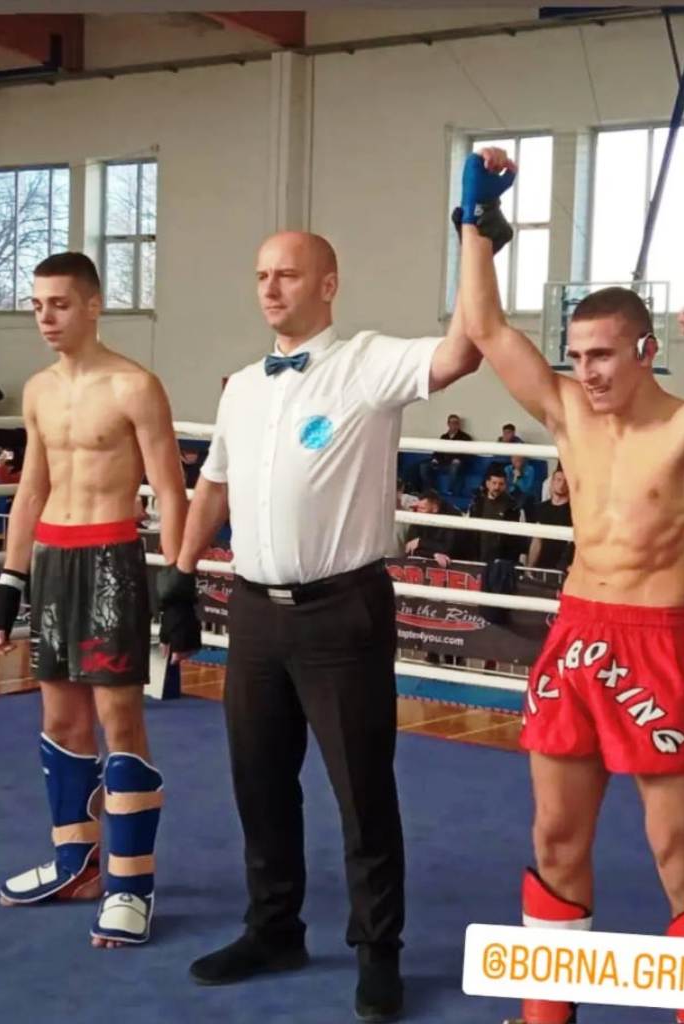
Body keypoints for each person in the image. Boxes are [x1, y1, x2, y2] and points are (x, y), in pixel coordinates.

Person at [457, 147, 684, 1024]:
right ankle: (549, 1014)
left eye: (605, 355)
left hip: (654, 645)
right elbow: (487, 329)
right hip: (576, 634)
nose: (589, 371)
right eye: (578, 355)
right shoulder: (569, 410)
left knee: (677, 853)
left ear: (647, 351)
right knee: (554, 837)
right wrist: (474, 226)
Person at [173, 228, 484, 1021]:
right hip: (252, 611)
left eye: (287, 274)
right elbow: (214, 486)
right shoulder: (243, 386)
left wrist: (475, 239)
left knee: (361, 789)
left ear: (328, 284)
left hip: (342, 612)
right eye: (262, 275)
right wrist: (179, 570)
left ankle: (378, 950)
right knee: (258, 782)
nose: (270, 288)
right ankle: (273, 929)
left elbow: (462, 352)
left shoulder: (365, 363)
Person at [0, 252, 199, 948]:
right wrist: (10, 579)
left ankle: (130, 884)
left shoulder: (135, 385)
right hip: (52, 560)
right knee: (59, 718)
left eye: (58, 303)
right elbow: (31, 489)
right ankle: (75, 864)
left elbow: (170, 489)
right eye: (37, 305)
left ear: (91, 305)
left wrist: (177, 581)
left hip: (112, 558)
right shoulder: (38, 391)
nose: (45, 317)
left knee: (120, 721)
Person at [523, 464, 573, 572]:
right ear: (552, 482)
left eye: (565, 481)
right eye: (558, 480)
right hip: (542, 566)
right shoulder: (541, 508)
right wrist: (529, 567)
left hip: (564, 569)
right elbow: (537, 540)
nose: (562, 484)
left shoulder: (574, 511)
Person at [417, 413, 473, 495]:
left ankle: (451, 491)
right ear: (448, 424)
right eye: (451, 422)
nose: (454, 424)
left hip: (457, 464)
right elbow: (437, 451)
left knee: (455, 466)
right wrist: (435, 459)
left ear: (459, 424)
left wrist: (459, 459)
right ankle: (430, 489)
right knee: (424, 465)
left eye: (456, 423)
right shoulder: (444, 437)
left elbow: (469, 454)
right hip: (442, 463)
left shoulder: (465, 437)